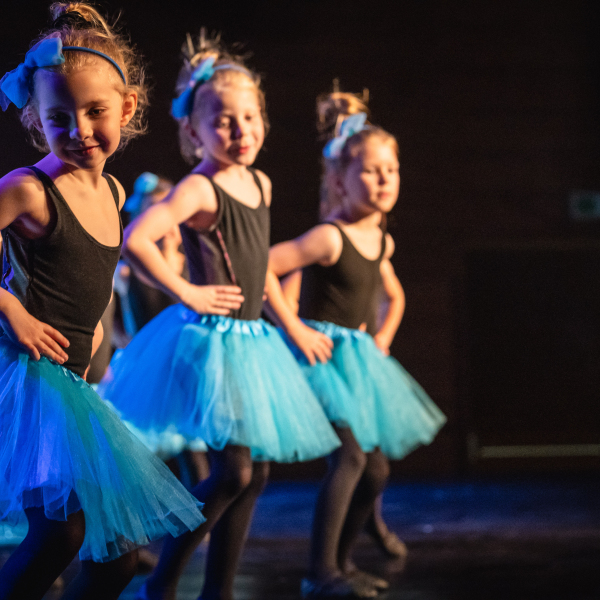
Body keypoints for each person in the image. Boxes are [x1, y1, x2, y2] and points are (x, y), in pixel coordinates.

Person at [97, 33, 340, 600]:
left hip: (253, 339)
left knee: (253, 475)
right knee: (234, 472)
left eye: (249, 118)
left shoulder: (260, 183)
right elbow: (138, 238)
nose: (241, 130)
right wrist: (187, 291)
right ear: (194, 131)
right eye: (224, 121)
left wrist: (293, 325)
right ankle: (161, 579)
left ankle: (218, 590)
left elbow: (261, 272)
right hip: (212, 343)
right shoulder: (200, 188)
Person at [0, 5, 205, 599]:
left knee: (116, 558)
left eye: (95, 112)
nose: (80, 130)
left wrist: (95, 337)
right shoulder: (28, 190)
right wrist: (12, 310)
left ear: (127, 108)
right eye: (59, 117)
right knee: (59, 535)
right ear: (36, 118)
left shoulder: (115, 192)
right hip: (26, 381)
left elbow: (93, 275)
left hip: (71, 384)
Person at [266, 91, 446, 598]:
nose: (384, 179)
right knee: (349, 459)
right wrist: (295, 328)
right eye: (370, 171)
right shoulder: (330, 236)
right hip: (321, 360)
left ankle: (342, 566)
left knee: (376, 470)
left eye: (391, 170)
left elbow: (395, 296)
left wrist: (383, 336)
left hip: (359, 361)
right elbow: (266, 267)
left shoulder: (381, 240)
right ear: (340, 181)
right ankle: (319, 573)